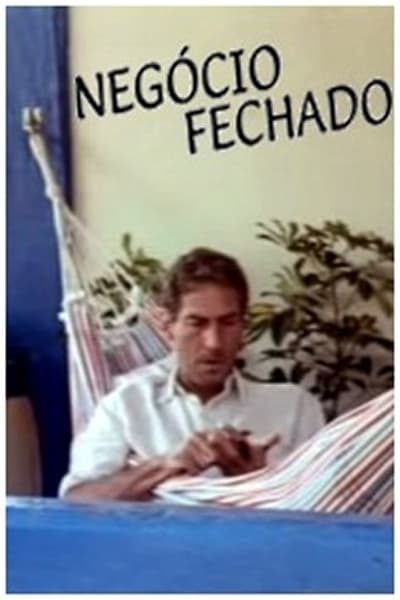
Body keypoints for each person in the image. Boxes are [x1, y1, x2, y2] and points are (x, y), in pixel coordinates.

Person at [59, 247, 324, 502]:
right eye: (197, 323)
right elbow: (76, 500)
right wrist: (168, 466)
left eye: (228, 323)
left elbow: (324, 509)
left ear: (244, 328)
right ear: (168, 328)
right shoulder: (126, 406)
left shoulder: (294, 407)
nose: (213, 343)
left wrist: (254, 482)